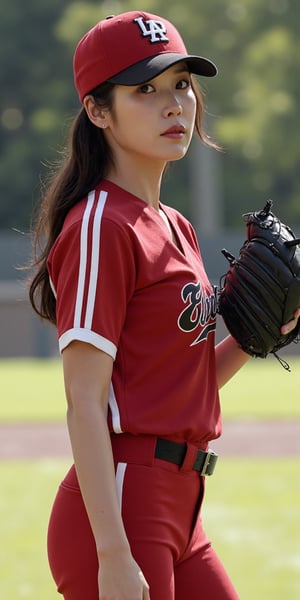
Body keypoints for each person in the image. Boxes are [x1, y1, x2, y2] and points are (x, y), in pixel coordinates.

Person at [29, 10, 300, 600]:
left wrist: (261, 336)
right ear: (98, 112)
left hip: (181, 502)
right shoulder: (102, 226)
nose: (173, 104)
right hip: (124, 503)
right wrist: (112, 553)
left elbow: (184, 380)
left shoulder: (174, 226)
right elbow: (83, 401)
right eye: (145, 90)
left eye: (180, 84)